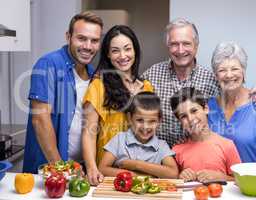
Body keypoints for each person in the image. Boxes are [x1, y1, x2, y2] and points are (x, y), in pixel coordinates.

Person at [142, 18, 256, 147]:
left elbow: (235, 93)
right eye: (174, 44)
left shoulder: (212, 80)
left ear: (196, 45)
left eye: (186, 43)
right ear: (168, 46)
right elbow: (130, 94)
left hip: (200, 159)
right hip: (159, 161)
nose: (180, 50)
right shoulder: (151, 75)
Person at [23, 11, 103, 173]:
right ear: (68, 37)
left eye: (94, 40)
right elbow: (40, 120)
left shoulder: (93, 72)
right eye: (81, 38)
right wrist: (61, 168)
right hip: (51, 170)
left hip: (80, 169)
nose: (88, 46)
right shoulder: (48, 64)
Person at [82, 25, 154, 185]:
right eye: (115, 51)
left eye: (127, 49)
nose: (123, 56)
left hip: (140, 171)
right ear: (108, 54)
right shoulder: (98, 86)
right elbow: (89, 132)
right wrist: (91, 168)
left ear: (135, 50)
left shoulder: (147, 87)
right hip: (108, 171)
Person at [208, 41, 256, 165]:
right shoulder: (208, 107)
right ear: (216, 76)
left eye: (234, 69)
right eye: (222, 70)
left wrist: (252, 178)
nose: (229, 75)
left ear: (243, 72)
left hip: (254, 182)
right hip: (217, 183)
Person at [99, 92, 179, 178]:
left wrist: (136, 164)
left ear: (159, 121)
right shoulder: (119, 139)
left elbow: (173, 174)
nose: (145, 127)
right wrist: (134, 175)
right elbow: (102, 169)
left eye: (152, 121)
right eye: (140, 120)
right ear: (129, 118)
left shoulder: (162, 146)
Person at [170, 87, 240, 182]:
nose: (190, 119)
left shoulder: (227, 145)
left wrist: (221, 177)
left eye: (194, 111)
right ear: (179, 121)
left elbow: (240, 181)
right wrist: (181, 176)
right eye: (183, 116)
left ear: (206, 109)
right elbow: (174, 181)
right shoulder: (176, 150)